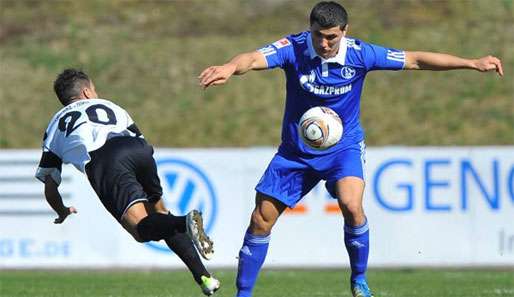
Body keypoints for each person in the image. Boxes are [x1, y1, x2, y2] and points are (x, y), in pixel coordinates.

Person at [198, 2, 503, 297]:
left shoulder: (361, 54)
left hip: (343, 148)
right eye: (319, 35)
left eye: (332, 36)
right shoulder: (293, 48)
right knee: (260, 219)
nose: (325, 43)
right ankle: (244, 294)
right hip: (295, 153)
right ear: (310, 29)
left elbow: (414, 59)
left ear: (344, 31)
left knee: (351, 204)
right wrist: (229, 67)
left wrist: (471, 63)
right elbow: (251, 58)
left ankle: (359, 280)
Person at [36, 68, 221, 296]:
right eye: (95, 89)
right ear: (86, 92)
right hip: (139, 150)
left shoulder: (55, 125)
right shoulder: (111, 106)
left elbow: (50, 184)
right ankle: (204, 277)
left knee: (140, 230)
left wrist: (61, 210)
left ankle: (186, 222)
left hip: (105, 160)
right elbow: (140, 139)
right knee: (161, 216)